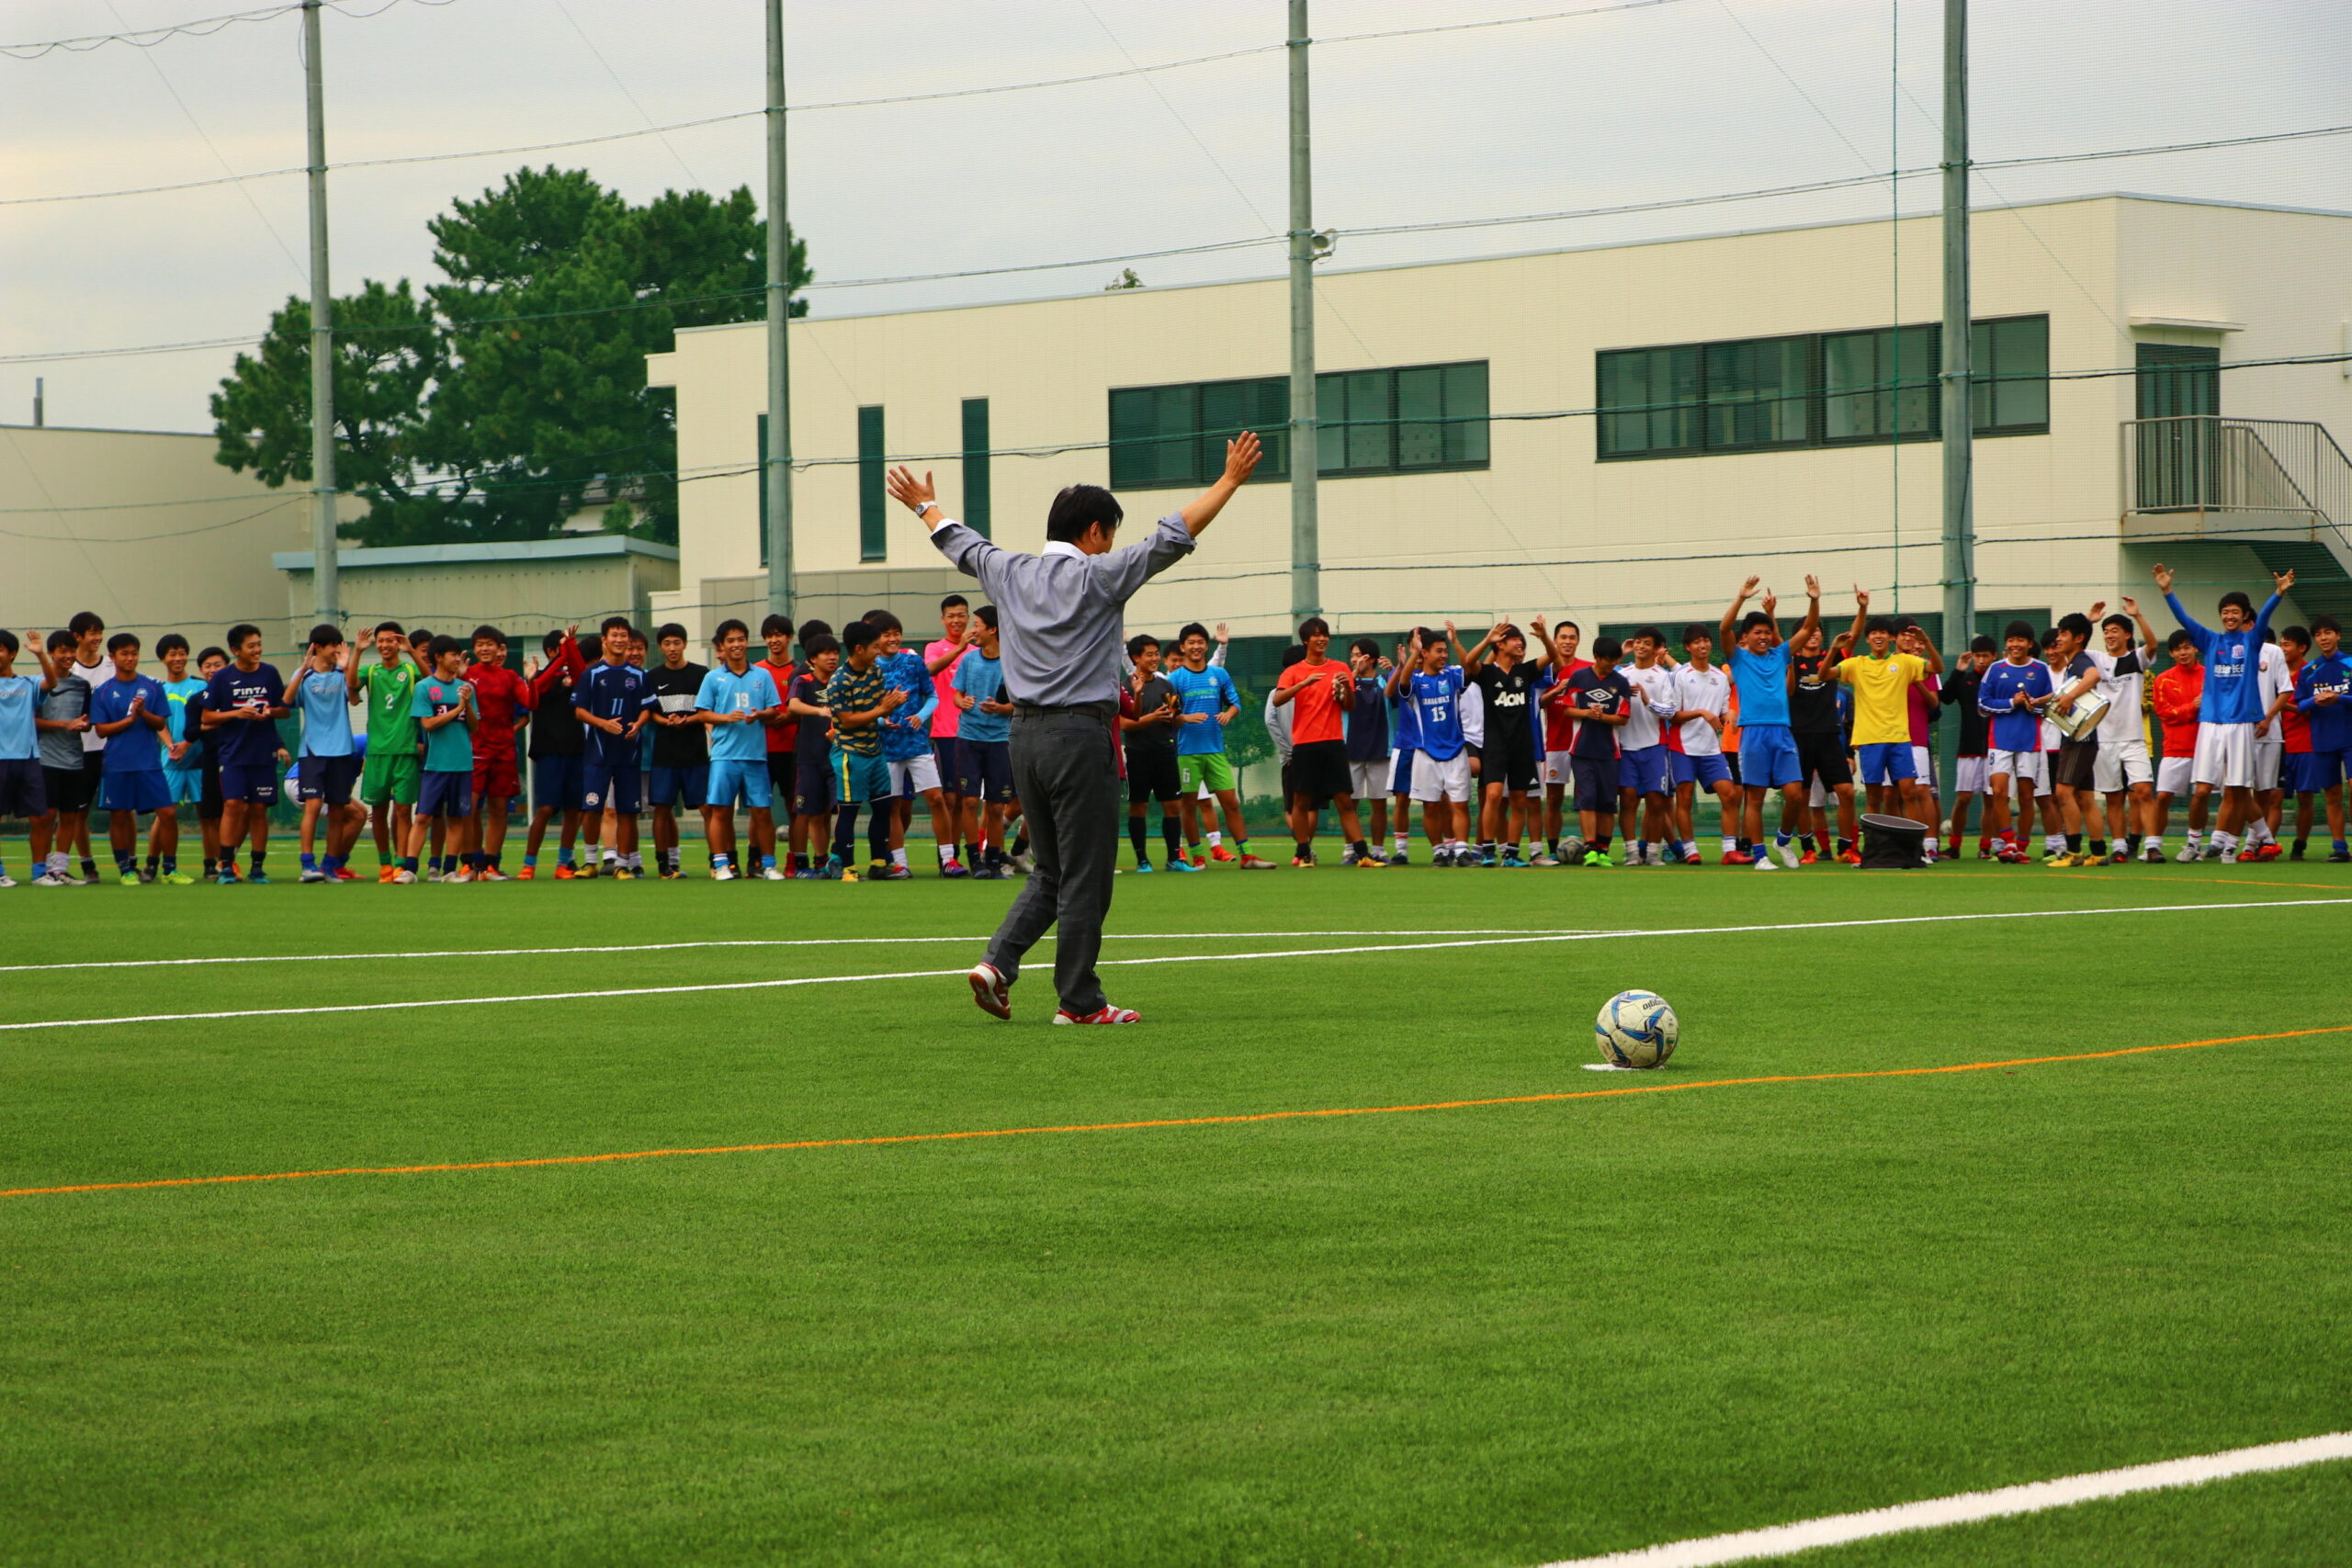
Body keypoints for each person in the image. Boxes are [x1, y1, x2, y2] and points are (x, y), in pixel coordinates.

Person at [887, 429, 1261, 1024]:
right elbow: (1173, 535)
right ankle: (1079, 1001)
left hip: (1023, 738)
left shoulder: (1008, 571)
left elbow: (959, 540)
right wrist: (1229, 481)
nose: (1110, 543)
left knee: (1053, 870)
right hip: (1080, 738)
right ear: (1093, 532)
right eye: (1108, 533)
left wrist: (922, 505)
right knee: (1086, 874)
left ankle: (996, 964)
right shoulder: (1101, 575)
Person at [2157, 562, 2292, 863]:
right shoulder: (2211, 640)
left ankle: (2230, 846)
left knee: (2239, 789)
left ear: (2244, 616)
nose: (2230, 616)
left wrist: (2279, 593)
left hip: (2241, 723)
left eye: (2235, 612)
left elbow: (2265, 617)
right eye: (2225, 612)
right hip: (2211, 723)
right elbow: (2183, 619)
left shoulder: (2252, 641)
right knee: (2202, 790)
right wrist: (2167, 591)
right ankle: (2193, 843)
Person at [1721, 576, 1823, 870]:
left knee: (1795, 795)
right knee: (1755, 798)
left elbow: (1808, 629)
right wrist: (1741, 598)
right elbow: (1724, 629)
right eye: (1758, 632)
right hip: (1753, 734)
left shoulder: (1780, 655)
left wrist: (1814, 600)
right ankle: (1760, 856)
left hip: (1782, 732)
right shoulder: (1738, 658)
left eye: (1767, 632)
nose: (1764, 637)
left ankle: (1782, 839)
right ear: (1746, 636)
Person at [1834, 591, 1944, 861]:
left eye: (1884, 632)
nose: (1879, 636)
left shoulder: (1905, 662)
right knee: (1878, 796)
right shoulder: (1858, 664)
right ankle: (1876, 849)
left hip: (1902, 738)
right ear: (1869, 638)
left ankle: (1916, 848)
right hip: (1871, 739)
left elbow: (1937, 671)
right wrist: (1836, 647)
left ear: (1891, 637)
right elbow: (1827, 673)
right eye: (1874, 633)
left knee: (1912, 792)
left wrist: (1926, 641)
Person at [2054, 600, 2161, 863]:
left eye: (2115, 631)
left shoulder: (2135, 659)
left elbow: (2152, 645)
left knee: (2143, 791)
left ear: (2127, 635)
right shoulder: (2096, 658)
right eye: (2106, 631)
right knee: (2113, 797)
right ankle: (2119, 847)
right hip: (2104, 738)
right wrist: (2088, 620)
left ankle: (2153, 846)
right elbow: (2075, 644)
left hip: (2133, 737)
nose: (2110, 635)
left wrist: (2138, 615)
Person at [1163, 622, 1266, 871]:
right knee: (1188, 807)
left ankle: (1247, 856)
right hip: (1186, 753)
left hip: (1215, 750)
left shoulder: (1219, 675)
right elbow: (1168, 717)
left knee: (1231, 803)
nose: (1196, 647)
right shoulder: (1174, 679)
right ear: (1183, 647)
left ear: (1206, 646)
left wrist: (1229, 713)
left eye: (1200, 642)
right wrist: (1184, 718)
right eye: (1191, 643)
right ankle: (1198, 858)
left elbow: (1235, 703)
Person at [695, 617, 786, 881]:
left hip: (756, 756)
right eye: (731, 640)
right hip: (724, 756)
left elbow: (773, 710)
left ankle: (768, 865)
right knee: (721, 811)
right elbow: (702, 714)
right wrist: (726, 718)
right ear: (722, 646)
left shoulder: (762, 675)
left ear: (747, 642)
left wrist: (760, 715)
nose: (737, 644)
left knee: (762, 812)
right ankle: (722, 864)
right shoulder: (713, 677)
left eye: (741, 639)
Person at [1273, 617, 1367, 868]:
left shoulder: (1340, 668)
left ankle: (1363, 855)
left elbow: (1350, 706)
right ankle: (1304, 854)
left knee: (1344, 800)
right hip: (1304, 744)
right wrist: (1303, 684)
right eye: (1316, 635)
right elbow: (1277, 699)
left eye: (1325, 634)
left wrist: (1346, 689)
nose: (1322, 639)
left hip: (1334, 742)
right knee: (1301, 801)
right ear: (1306, 640)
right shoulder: (1293, 672)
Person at [865, 610, 952, 880]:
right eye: (886, 635)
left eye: (896, 633)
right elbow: (864, 710)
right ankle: (900, 864)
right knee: (893, 806)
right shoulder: (869, 669)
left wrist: (921, 716)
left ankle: (949, 860)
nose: (893, 639)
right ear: (876, 640)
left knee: (936, 798)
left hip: (917, 744)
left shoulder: (913, 662)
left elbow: (932, 696)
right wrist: (882, 721)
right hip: (887, 749)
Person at [200, 623, 287, 885]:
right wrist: (236, 713)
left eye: (259, 644)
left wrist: (270, 712)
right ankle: (226, 865)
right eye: (251, 646)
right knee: (233, 805)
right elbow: (207, 716)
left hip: (262, 754)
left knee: (259, 809)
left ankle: (257, 867)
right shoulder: (222, 678)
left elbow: (284, 709)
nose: (257, 650)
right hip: (233, 754)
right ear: (236, 650)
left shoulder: (270, 673)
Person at [821, 620, 905, 884]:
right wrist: (882, 710)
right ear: (859, 649)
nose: (879, 652)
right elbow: (846, 720)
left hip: (875, 751)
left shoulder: (875, 671)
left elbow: (878, 705)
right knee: (849, 811)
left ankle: (879, 864)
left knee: (883, 808)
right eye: (875, 647)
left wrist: (891, 705)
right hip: (851, 754)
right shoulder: (839, 681)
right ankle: (847, 868)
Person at [83, 632, 168, 886]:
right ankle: (125, 869)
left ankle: (169, 868)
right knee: (119, 814)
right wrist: (130, 720)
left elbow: (160, 723)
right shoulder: (103, 692)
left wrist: (144, 714)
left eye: (134, 653)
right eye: (124, 654)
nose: (130, 658)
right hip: (117, 762)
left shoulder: (153, 686)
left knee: (167, 812)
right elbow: (101, 730)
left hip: (149, 762)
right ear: (112, 657)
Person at [574, 617, 656, 878]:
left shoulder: (639, 675)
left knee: (628, 811)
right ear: (604, 640)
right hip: (597, 753)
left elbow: (647, 709)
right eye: (614, 635)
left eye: (623, 636)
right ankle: (590, 862)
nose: (619, 640)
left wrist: (638, 724)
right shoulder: (592, 674)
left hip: (629, 754)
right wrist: (603, 724)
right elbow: (579, 711)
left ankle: (622, 864)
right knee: (591, 808)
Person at [284, 625, 366, 883]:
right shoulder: (304, 675)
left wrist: (348, 663)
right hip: (313, 751)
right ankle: (307, 865)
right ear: (318, 647)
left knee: (338, 811)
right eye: (334, 646)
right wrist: (302, 669)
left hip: (342, 750)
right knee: (313, 805)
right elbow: (286, 701)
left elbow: (354, 697)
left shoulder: (342, 673)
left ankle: (329, 866)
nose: (337, 651)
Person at [395, 637, 476, 883]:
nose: (457, 659)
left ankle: (449, 870)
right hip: (435, 763)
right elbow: (428, 724)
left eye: (459, 655)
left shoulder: (465, 687)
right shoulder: (425, 687)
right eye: (453, 654)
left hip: (462, 763)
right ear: (439, 657)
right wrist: (457, 709)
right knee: (423, 817)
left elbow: (474, 727)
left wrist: (467, 705)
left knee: (456, 818)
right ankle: (410, 870)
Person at [1463, 620, 1541, 867]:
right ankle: (1488, 850)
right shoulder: (1487, 673)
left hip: (1522, 746)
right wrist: (1488, 639)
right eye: (1514, 639)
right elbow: (1468, 662)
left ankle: (1511, 855)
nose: (1519, 643)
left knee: (1519, 800)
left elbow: (1553, 657)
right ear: (1501, 644)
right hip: (1495, 745)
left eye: (1521, 640)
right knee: (1493, 795)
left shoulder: (1524, 671)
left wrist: (1543, 636)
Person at [1394, 627, 1474, 864]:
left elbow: (1469, 666)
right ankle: (1438, 851)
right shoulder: (1416, 680)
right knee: (1430, 806)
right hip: (1425, 753)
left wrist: (1456, 641)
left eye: (1445, 651)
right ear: (1425, 653)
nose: (1444, 655)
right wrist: (1413, 654)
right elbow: (1403, 682)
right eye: (1439, 651)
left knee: (1460, 804)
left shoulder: (1452, 675)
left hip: (1456, 750)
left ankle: (1461, 850)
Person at [1977, 621, 2055, 862]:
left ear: (2029, 644)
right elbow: (1982, 703)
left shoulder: (2041, 669)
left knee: (2026, 796)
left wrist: (2033, 705)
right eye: (2011, 640)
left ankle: (2022, 847)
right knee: (1999, 792)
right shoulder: (1995, 669)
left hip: (2030, 741)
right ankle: (2008, 843)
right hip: (1999, 740)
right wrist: (2012, 702)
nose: (2015, 644)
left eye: (2020, 640)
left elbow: (2050, 705)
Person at [349, 623, 422, 882]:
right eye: (380, 640)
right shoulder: (371, 671)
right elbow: (351, 684)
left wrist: (412, 652)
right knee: (378, 811)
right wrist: (358, 651)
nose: (384, 645)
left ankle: (401, 864)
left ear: (398, 643)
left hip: (405, 750)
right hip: (377, 751)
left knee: (403, 811)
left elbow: (430, 680)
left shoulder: (410, 671)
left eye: (390, 640)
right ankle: (385, 864)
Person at [462, 625, 535, 881]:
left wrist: (531, 680)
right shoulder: (467, 674)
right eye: (480, 644)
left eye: (489, 644)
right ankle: (470, 862)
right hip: (474, 751)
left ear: (499, 648)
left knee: (499, 809)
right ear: (474, 648)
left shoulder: (510, 677)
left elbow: (530, 703)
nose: (485, 648)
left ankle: (490, 866)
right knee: (469, 808)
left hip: (503, 752)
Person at [949, 608, 1017, 878]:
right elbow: (957, 695)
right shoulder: (969, 659)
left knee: (997, 805)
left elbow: (1019, 703)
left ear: (992, 630)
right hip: (968, 738)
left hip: (999, 741)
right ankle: (975, 860)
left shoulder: (1012, 662)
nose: (972, 629)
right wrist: (962, 702)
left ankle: (994, 860)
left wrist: (1001, 709)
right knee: (968, 801)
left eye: (977, 625)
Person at [644, 622, 711, 880]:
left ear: (684, 644)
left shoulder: (701, 674)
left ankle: (717, 862)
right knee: (662, 809)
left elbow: (706, 711)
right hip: (665, 755)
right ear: (660, 647)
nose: (672, 648)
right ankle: (664, 866)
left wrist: (688, 720)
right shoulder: (652, 677)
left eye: (677, 643)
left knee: (707, 808)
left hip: (696, 753)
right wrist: (666, 721)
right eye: (667, 643)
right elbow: (649, 714)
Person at [1119, 633, 1191, 873]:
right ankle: (1142, 861)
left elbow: (1175, 719)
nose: (1155, 659)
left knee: (1173, 806)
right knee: (1139, 807)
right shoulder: (1126, 687)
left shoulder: (1166, 685)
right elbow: (1124, 725)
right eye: (1149, 655)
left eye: (1157, 654)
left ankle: (1174, 860)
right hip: (1138, 755)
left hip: (1166, 752)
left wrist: (1175, 717)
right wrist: (1153, 717)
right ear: (1136, 658)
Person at [521, 626, 589, 878]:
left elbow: (582, 675)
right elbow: (538, 688)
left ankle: (563, 864)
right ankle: (529, 864)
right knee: (546, 809)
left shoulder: (576, 677)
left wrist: (570, 647)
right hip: (549, 751)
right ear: (551, 651)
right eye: (562, 649)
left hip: (576, 750)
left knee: (573, 810)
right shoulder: (538, 676)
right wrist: (561, 658)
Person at [1559, 636, 1633, 867]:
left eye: (1615, 660)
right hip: (1581, 750)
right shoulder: (1579, 677)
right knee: (1588, 798)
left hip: (1610, 752)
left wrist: (1603, 717)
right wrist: (1586, 713)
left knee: (1608, 803)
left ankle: (1603, 850)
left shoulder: (1621, 682)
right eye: (1609, 660)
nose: (1612, 664)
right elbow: (1567, 710)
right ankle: (1590, 848)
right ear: (1597, 657)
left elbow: (1623, 718)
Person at [1668, 622, 1737, 865]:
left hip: (1711, 749)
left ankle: (1730, 850)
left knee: (1730, 794)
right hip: (1683, 747)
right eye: (1697, 641)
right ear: (1688, 647)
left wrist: (1729, 715)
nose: (1703, 645)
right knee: (1685, 799)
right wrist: (1700, 713)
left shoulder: (1720, 677)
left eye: (1706, 640)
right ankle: (1690, 851)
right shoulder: (1680, 676)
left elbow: (1722, 712)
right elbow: (1672, 715)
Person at [1614, 626, 1679, 866]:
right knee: (1628, 800)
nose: (1641, 646)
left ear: (1656, 649)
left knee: (1656, 800)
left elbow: (1670, 710)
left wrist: (1646, 700)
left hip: (1655, 746)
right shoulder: (1622, 674)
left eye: (1647, 643)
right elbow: (1600, 676)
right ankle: (1632, 852)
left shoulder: (1663, 676)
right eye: (1638, 642)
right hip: (1626, 746)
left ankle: (1653, 852)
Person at [922, 595, 977, 876]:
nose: (956, 620)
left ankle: (962, 855)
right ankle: (947, 856)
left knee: (969, 800)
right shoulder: (934, 648)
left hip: (975, 734)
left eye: (961, 615)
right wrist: (960, 649)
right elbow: (930, 670)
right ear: (943, 619)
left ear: (968, 618)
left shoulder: (979, 651)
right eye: (951, 616)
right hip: (944, 733)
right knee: (949, 799)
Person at [2291, 615, 2348, 862]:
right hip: (2323, 739)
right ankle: (2340, 848)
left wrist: (2339, 698)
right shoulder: (2309, 671)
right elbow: (2300, 705)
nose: (2323, 638)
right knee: (2332, 794)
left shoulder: (2349, 663)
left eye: (2328, 633)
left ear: (2338, 635)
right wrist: (2315, 700)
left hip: (2349, 738)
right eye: (2318, 634)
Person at [0, 628, 54, 887]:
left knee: (41, 818)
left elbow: (51, 682)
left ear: (12, 654)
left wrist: (41, 655)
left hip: (28, 758)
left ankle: (39, 873)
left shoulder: (27, 684)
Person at [152, 633, 207, 883]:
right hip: (170, 761)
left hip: (198, 760)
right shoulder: (159, 690)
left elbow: (206, 720)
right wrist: (170, 745)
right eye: (172, 654)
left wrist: (187, 744)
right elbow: (159, 723)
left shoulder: (200, 687)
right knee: (165, 815)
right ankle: (152, 864)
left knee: (207, 815)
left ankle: (213, 866)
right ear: (163, 658)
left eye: (182, 653)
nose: (178, 658)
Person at [1535, 618, 1590, 864]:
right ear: (1555, 641)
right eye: (1563, 637)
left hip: (1584, 743)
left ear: (1578, 641)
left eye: (1572, 637)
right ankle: (1552, 849)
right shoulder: (1545, 670)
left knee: (1587, 798)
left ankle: (1592, 847)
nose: (1568, 642)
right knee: (1554, 799)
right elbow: (1537, 704)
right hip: (1555, 744)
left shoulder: (1588, 669)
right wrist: (1556, 691)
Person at [786, 635, 841, 878]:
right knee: (810, 812)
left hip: (838, 757)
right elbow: (793, 705)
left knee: (842, 808)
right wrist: (820, 711)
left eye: (835, 652)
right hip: (809, 758)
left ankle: (838, 859)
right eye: (826, 653)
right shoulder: (803, 681)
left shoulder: (841, 681)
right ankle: (812, 863)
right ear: (812, 659)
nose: (832, 657)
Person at [2150, 629, 2207, 863]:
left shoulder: (2210, 675)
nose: (2183, 653)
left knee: (2202, 795)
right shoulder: (2163, 679)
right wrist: (2192, 707)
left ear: (2196, 649)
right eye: (2177, 649)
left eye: (2187, 647)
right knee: (2163, 796)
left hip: (2206, 747)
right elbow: (2164, 713)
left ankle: (2194, 843)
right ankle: (2153, 846)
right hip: (2175, 747)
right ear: (2171, 653)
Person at [1340, 638, 1395, 863]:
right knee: (1349, 804)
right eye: (1352, 655)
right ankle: (1350, 850)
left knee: (1379, 803)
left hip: (1380, 749)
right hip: (1350, 750)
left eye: (1358, 655)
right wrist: (1352, 674)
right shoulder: (1346, 680)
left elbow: (1397, 692)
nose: (1354, 659)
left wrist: (1396, 669)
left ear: (1371, 659)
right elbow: (1341, 700)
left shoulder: (1384, 681)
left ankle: (1379, 849)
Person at [64, 611, 109, 883]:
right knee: (79, 811)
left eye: (100, 632)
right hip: (79, 751)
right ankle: (87, 863)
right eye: (92, 632)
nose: (98, 637)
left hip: (112, 749)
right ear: (77, 636)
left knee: (122, 809)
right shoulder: (69, 671)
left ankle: (128, 864)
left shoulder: (112, 666)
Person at [756, 615, 801, 875]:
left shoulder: (799, 671)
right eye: (769, 635)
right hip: (760, 751)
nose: (774, 640)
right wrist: (765, 716)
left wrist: (788, 717)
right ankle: (756, 861)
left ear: (789, 637)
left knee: (794, 808)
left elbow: (804, 708)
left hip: (792, 750)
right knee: (759, 809)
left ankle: (794, 860)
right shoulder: (756, 671)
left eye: (779, 635)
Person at [1941, 637, 1994, 859]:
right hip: (1969, 747)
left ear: (1994, 656)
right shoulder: (1966, 679)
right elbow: (1945, 697)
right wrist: (1958, 670)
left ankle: (1985, 847)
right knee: (1963, 798)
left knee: (1990, 799)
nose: (1981, 660)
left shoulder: (2000, 679)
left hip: (1994, 748)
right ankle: (1954, 846)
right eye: (1977, 656)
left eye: (1985, 656)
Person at [2268, 626, 2314, 860]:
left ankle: (2299, 845)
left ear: (2302, 648)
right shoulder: (2275, 672)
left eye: (2287, 644)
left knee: (2305, 797)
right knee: (2274, 797)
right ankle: (2267, 845)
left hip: (2305, 744)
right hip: (2278, 741)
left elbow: (2311, 710)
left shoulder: (2311, 673)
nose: (2282, 648)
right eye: (2281, 644)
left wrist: (2281, 704)